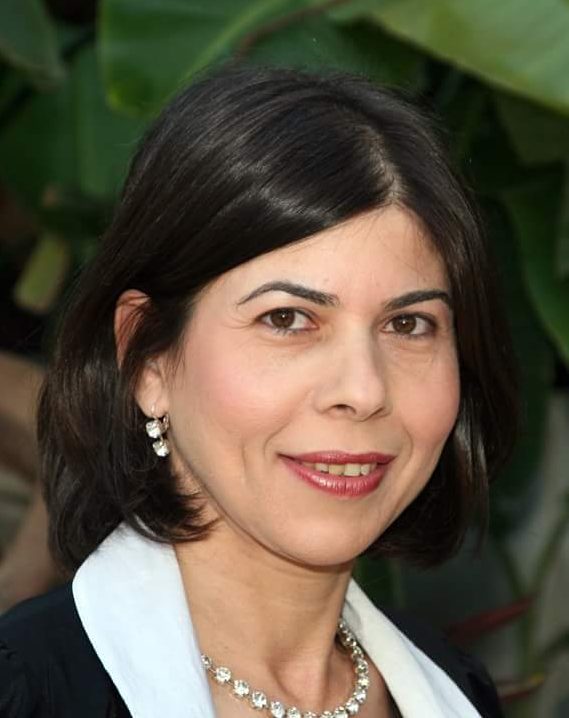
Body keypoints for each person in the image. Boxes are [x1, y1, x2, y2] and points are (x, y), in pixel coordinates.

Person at [0, 65, 517, 717]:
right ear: (147, 360)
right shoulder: (29, 695)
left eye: (408, 324)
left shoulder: (457, 690)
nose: (363, 391)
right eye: (287, 319)